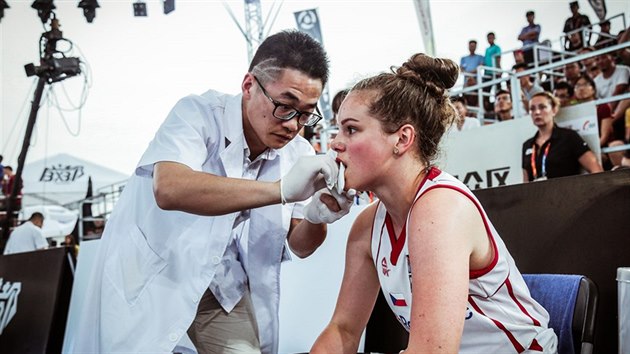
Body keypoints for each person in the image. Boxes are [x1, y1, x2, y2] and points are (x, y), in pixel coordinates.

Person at [74, 30, 353, 354]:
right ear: (249, 86)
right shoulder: (197, 114)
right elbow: (170, 188)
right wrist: (279, 190)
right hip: (157, 274)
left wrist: (318, 216)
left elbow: (301, 245)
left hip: (224, 285)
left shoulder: (298, 151)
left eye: (306, 113)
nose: (293, 124)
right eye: (285, 106)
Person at [310, 53, 558, 353]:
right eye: (338, 130)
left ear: (402, 139)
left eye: (351, 129)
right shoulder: (367, 225)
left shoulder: (440, 209)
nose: (335, 143)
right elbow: (343, 330)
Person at [522, 91, 603, 182]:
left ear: (554, 110)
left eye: (542, 107)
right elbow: (525, 182)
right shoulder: (527, 145)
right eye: (532, 109)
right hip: (537, 195)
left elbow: (596, 169)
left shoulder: (568, 137)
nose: (537, 112)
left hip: (566, 194)